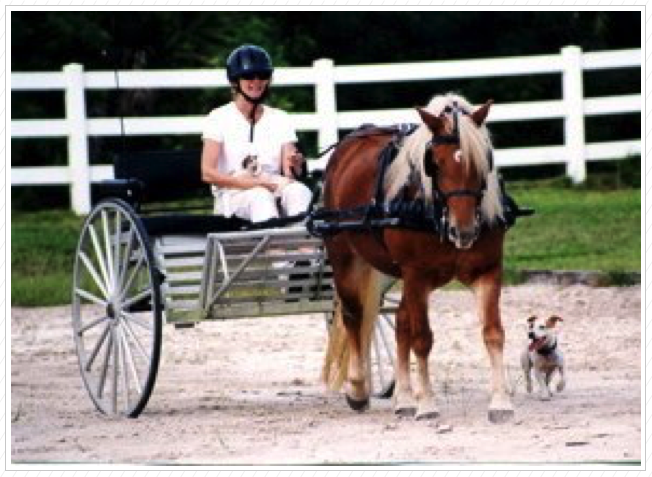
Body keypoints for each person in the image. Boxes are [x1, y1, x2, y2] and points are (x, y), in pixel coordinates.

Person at [201, 44, 313, 223]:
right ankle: (274, 250)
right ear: (235, 81)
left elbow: (289, 172)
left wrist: (296, 165)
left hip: (271, 183)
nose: (256, 81)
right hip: (234, 191)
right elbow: (207, 173)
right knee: (260, 197)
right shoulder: (218, 118)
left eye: (263, 75)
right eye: (248, 76)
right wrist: (251, 184)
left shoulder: (281, 118)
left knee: (300, 191)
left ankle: (305, 247)